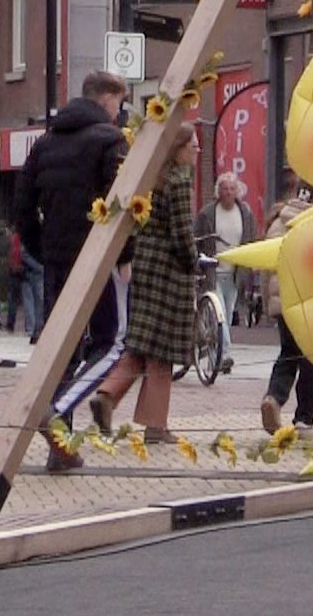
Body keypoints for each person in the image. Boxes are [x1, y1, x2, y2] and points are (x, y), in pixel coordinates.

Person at [14, 70, 129, 473]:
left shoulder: (45, 143)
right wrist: (124, 256)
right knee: (112, 343)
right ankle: (58, 411)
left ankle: (60, 448)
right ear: (107, 100)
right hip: (98, 258)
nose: (120, 112)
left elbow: (22, 205)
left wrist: (42, 248)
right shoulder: (110, 141)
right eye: (119, 103)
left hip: (57, 260)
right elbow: (120, 206)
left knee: (62, 349)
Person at [90, 124, 199, 442]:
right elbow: (181, 235)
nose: (195, 153)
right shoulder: (179, 183)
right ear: (179, 149)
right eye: (193, 146)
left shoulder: (151, 180)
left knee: (141, 344)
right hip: (169, 272)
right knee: (161, 350)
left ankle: (107, 396)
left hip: (146, 265)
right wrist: (194, 261)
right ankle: (156, 425)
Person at [262, 171, 313, 434]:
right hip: (310, 299)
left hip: (283, 300)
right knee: (312, 357)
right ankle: (304, 418)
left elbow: (266, 264)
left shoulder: (277, 220)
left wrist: (268, 302)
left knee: (288, 353)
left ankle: (273, 398)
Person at [196, 172, 258, 375]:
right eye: (224, 189)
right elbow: (198, 238)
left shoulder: (245, 213)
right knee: (218, 313)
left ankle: (217, 353)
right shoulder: (207, 213)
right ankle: (224, 355)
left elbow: (250, 238)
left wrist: (249, 263)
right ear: (218, 191)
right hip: (213, 270)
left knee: (227, 313)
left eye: (232, 189)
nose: (228, 193)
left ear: (237, 191)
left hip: (235, 273)